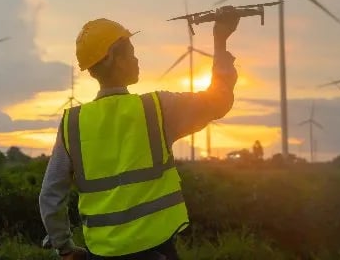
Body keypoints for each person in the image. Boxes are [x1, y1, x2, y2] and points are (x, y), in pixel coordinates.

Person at [39, 14, 240, 259]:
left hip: (102, 254)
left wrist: (65, 247)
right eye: (131, 52)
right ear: (115, 57)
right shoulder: (156, 109)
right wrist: (220, 43)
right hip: (157, 250)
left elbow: (50, 194)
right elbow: (218, 102)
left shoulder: (73, 123)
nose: (136, 59)